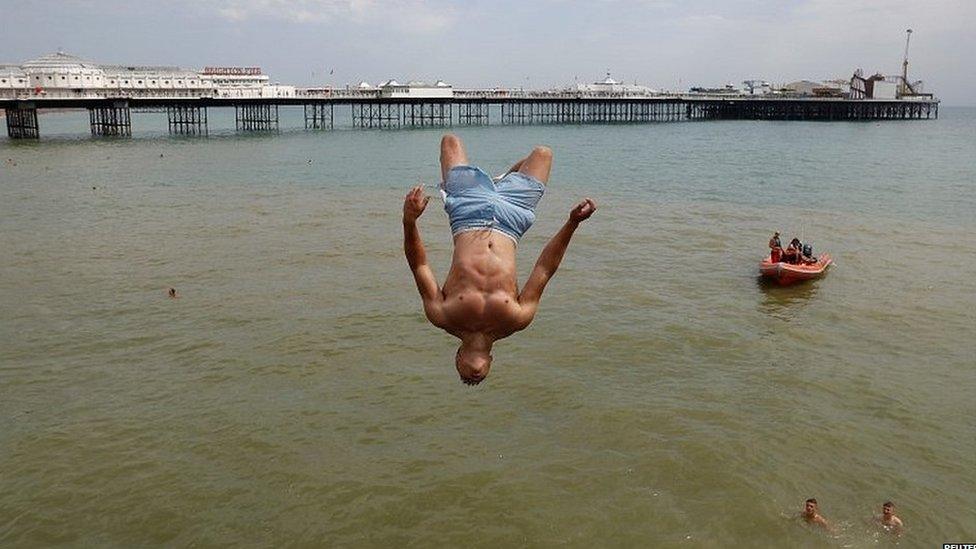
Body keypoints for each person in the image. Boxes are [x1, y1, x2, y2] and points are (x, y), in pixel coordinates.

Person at [403, 134, 596, 385]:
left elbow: (419, 265)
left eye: (465, 375)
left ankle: (499, 183)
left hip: (467, 213)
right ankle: (505, 181)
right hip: (513, 217)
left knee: (450, 141)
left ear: (457, 359)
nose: (474, 376)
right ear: (491, 362)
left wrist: (409, 220)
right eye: (480, 378)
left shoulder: (442, 315)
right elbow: (544, 269)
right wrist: (572, 223)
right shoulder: (517, 319)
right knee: (543, 153)